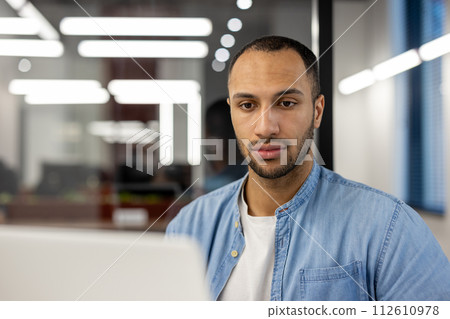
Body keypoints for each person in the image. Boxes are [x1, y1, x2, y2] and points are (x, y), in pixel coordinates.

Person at [166, 35, 450, 301]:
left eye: (286, 103)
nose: (265, 127)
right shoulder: (188, 228)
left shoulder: (389, 228)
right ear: (232, 111)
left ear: (317, 111)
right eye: (248, 105)